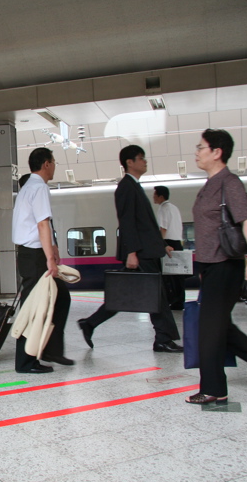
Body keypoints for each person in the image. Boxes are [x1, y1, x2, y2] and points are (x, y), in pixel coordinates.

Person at [186, 128, 247, 404]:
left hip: (225, 266)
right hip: (210, 266)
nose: (196, 151)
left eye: (200, 147)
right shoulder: (210, 183)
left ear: (217, 152)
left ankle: (214, 389)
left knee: (209, 329)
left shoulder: (229, 182)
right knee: (218, 326)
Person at [77, 145, 183, 353]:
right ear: (129, 163)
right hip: (141, 253)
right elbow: (126, 222)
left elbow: (145, 224)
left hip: (146, 250)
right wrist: (132, 252)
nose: (145, 161)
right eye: (141, 158)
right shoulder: (126, 187)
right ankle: (163, 339)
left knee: (123, 295)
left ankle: (89, 323)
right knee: (157, 297)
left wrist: (162, 244)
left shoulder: (134, 186)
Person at [12, 147, 75, 373]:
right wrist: (50, 258)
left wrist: (53, 247)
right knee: (34, 307)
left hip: (31, 253)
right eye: (54, 161)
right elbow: (42, 224)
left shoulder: (29, 187)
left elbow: (41, 225)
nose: (55, 166)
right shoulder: (38, 187)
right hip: (36, 256)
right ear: (46, 164)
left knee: (60, 298)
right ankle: (25, 361)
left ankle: (50, 349)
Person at [153, 185, 186, 310]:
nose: (153, 197)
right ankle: (179, 301)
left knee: (168, 275)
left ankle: (170, 300)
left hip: (168, 243)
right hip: (178, 243)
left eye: (155, 194)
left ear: (161, 196)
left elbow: (163, 228)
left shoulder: (163, 208)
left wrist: (161, 244)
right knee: (178, 276)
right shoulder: (174, 208)